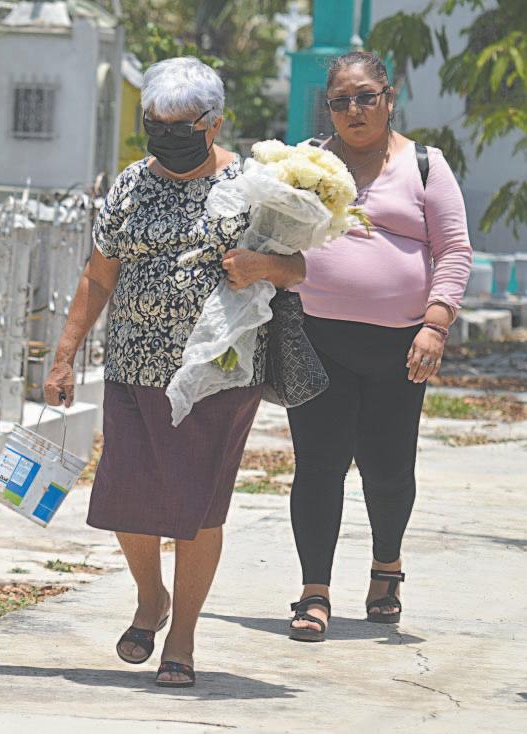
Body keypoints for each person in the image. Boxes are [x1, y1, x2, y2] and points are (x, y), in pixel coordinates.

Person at [44, 57, 305, 685]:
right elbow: (98, 274)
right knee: (126, 499)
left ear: (213, 124)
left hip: (218, 372)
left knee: (198, 507)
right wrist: (63, 355)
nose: (165, 137)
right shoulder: (131, 185)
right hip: (133, 367)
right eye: (154, 125)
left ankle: (182, 636)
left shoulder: (252, 187)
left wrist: (259, 266)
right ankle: (150, 597)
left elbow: (296, 268)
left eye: (179, 127)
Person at [224, 51, 472, 642]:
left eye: (365, 97)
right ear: (329, 108)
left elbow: (454, 250)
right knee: (318, 465)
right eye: (341, 101)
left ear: (389, 98)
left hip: (401, 347)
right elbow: (267, 235)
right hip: (317, 338)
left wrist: (435, 325)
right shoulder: (305, 164)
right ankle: (315, 591)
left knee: (388, 470)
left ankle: (387, 566)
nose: (354, 110)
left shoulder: (426, 166)